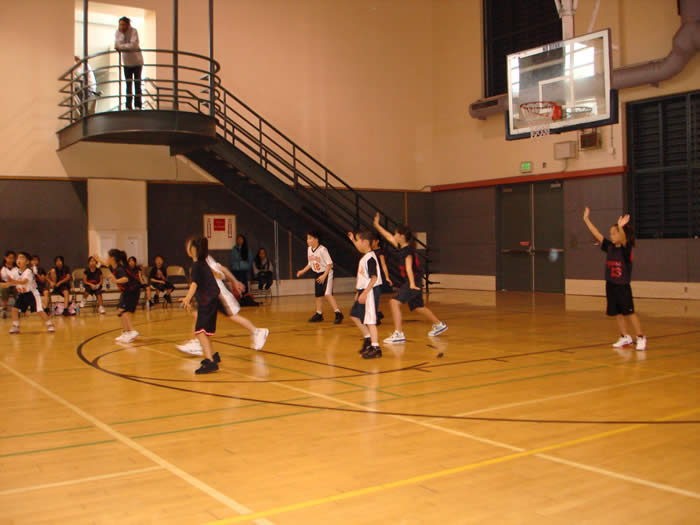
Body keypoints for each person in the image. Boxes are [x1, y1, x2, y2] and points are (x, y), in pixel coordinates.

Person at [176, 252, 269, 357]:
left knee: (232, 316)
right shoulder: (199, 261)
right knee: (197, 315)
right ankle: (197, 343)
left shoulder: (204, 259)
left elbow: (221, 270)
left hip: (220, 294)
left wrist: (234, 281)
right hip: (209, 295)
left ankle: (257, 331)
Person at [373, 213, 447, 343]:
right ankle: (439, 324)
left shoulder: (407, 251)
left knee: (394, 302)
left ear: (401, 236)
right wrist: (377, 225)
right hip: (414, 281)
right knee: (418, 307)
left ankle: (399, 334)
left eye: (396, 234)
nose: (394, 236)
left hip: (412, 281)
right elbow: (388, 236)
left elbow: (409, 268)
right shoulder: (402, 247)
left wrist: (412, 284)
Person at [583, 207, 647, 351]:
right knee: (617, 313)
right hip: (611, 285)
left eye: (614, 233)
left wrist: (620, 226)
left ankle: (641, 337)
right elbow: (596, 233)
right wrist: (586, 219)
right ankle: (625, 337)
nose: (611, 236)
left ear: (621, 234)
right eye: (610, 233)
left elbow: (623, 239)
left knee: (629, 312)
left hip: (622, 286)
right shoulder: (610, 247)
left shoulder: (625, 249)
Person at [181, 237, 223, 374]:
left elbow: (194, 284)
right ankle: (213, 356)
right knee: (205, 332)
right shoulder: (202, 263)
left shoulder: (197, 266)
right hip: (211, 300)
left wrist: (187, 298)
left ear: (193, 250)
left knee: (199, 331)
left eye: (189, 246)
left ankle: (211, 362)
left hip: (207, 301)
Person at [347, 231, 383, 359]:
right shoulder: (366, 256)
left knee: (370, 320)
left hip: (370, 291)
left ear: (365, 242)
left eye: (358, 240)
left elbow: (374, 278)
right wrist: (359, 292)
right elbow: (364, 278)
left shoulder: (370, 258)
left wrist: (365, 293)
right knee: (355, 315)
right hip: (364, 291)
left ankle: (376, 347)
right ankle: (368, 338)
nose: (357, 243)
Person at [296, 230, 343, 324]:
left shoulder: (323, 250)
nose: (308, 240)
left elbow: (330, 264)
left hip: (327, 273)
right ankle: (319, 314)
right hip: (318, 273)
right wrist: (302, 271)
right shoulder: (309, 249)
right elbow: (310, 263)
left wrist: (324, 275)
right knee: (318, 295)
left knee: (328, 294)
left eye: (310, 238)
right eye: (307, 238)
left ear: (316, 239)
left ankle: (338, 313)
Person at [1, 252, 55, 334]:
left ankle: (49, 324)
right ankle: (15, 326)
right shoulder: (14, 272)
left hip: (32, 294)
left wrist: (13, 281)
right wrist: (4, 284)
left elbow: (24, 282)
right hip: (22, 294)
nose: (19, 260)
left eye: (22, 258)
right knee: (14, 309)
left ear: (27, 262)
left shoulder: (28, 271)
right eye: (18, 258)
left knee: (39, 311)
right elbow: (9, 284)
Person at [96, 250, 140, 343]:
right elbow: (106, 264)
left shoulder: (120, 269)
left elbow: (125, 279)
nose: (107, 258)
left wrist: (115, 280)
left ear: (112, 258)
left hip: (132, 291)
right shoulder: (113, 266)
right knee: (121, 310)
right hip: (127, 291)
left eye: (108, 257)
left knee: (123, 311)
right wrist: (99, 260)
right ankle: (126, 333)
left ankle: (132, 331)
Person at [114, 16, 144, 111]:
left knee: (137, 84)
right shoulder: (118, 32)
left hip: (137, 62)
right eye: (120, 24)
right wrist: (123, 43)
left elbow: (134, 45)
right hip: (126, 63)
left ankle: (138, 106)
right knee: (128, 85)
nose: (121, 26)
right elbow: (117, 45)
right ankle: (128, 106)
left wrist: (121, 47)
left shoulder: (134, 31)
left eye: (123, 24)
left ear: (128, 25)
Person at [1, 250, 17, 318]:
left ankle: (17, 308)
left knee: (18, 290)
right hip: (5, 285)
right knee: (4, 290)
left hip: (15, 285)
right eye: (9, 258)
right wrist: (5, 283)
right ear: (5, 258)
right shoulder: (2, 268)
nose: (11, 260)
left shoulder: (17, 267)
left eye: (13, 258)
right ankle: (4, 308)